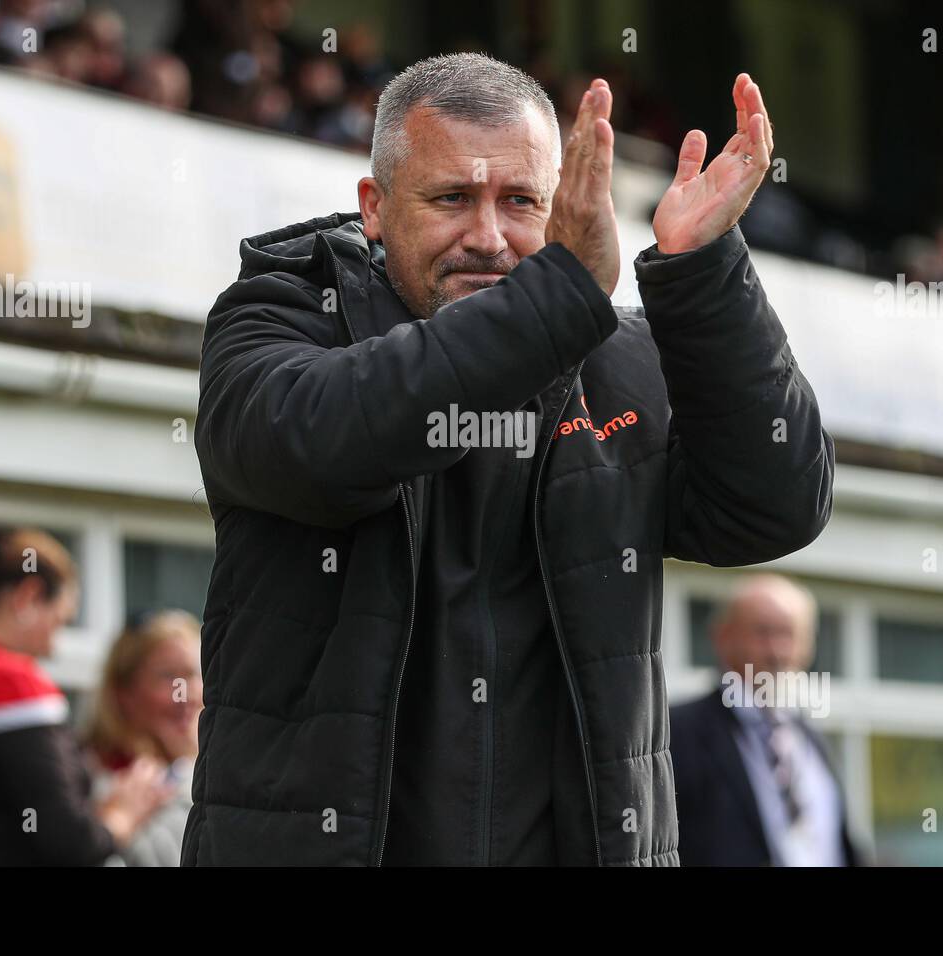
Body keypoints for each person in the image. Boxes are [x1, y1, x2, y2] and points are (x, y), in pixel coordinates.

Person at [184, 53, 833, 866]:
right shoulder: (279, 320)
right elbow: (324, 443)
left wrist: (704, 274)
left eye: (521, 201)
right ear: (376, 208)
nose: (488, 238)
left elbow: (773, 505)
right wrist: (557, 300)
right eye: (453, 198)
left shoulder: (620, 356)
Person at [0, 526, 173, 865]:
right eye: (59, 621)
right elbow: (70, 846)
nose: (53, 646)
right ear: (27, 597)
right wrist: (121, 815)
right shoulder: (9, 684)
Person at [670, 575, 860, 866]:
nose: (778, 652)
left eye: (790, 634)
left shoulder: (808, 737)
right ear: (723, 638)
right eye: (763, 632)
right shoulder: (677, 733)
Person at [83, 609, 203, 867]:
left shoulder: (207, 772)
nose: (187, 694)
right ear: (123, 692)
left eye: (193, 675)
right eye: (169, 676)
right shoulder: (90, 780)